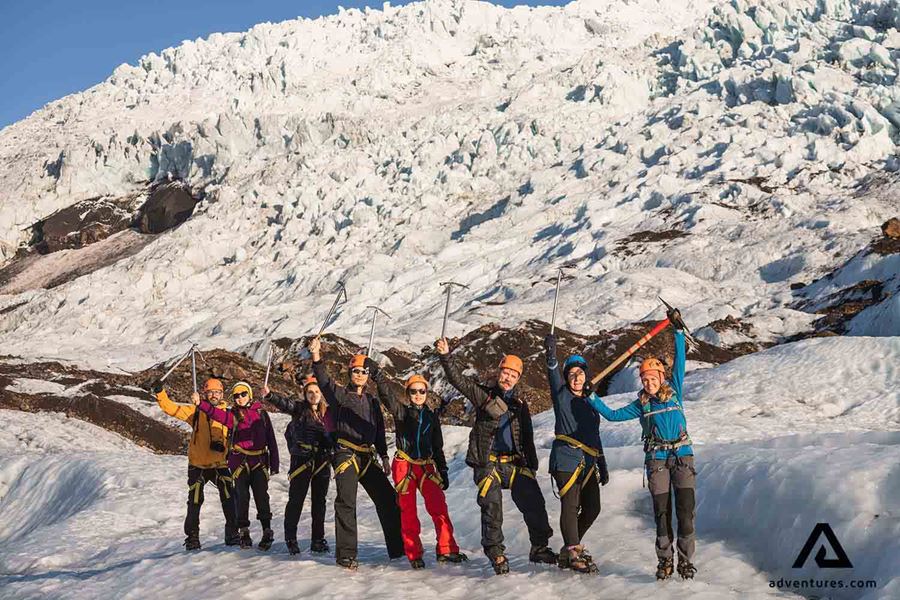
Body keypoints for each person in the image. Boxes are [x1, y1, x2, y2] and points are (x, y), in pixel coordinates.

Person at [587, 307, 697, 580]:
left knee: (685, 512)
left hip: (683, 456)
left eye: (652, 378)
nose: (648, 383)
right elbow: (612, 416)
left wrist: (679, 331)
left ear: (661, 378)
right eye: (645, 379)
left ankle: (685, 560)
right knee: (662, 513)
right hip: (657, 460)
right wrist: (592, 398)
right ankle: (664, 561)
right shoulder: (641, 405)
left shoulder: (676, 392)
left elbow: (680, 360)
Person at [435, 337, 556, 575]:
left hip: (515, 464)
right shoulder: (484, 396)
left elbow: (527, 437)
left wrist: (530, 467)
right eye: (505, 372)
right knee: (492, 509)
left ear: (518, 378)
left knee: (535, 505)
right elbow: (457, 380)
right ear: (499, 373)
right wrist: (445, 356)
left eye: (513, 374)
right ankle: (496, 553)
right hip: (487, 462)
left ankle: (539, 547)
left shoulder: (520, 404)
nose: (508, 377)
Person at [308, 336, 403, 570]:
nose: (360, 374)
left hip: (367, 455)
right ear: (350, 373)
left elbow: (379, 430)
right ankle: (346, 555)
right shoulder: (340, 396)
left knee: (388, 499)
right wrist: (316, 357)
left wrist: (383, 456)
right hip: (345, 454)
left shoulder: (371, 401)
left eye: (363, 371)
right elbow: (324, 382)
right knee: (346, 503)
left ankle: (398, 548)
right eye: (356, 371)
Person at [368, 361, 468, 569]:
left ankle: (446, 549)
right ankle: (414, 553)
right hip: (405, 464)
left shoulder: (432, 417)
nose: (418, 394)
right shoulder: (402, 412)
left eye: (421, 391)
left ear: (426, 392)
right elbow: (387, 396)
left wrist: (443, 470)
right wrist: (378, 375)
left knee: (439, 507)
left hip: (427, 466)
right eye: (413, 391)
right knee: (408, 511)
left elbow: (437, 446)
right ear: (408, 393)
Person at [543, 335, 610, 573]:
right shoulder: (561, 396)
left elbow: (595, 434)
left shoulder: (592, 402)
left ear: (586, 375)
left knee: (592, 507)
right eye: (571, 373)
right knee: (570, 506)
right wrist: (551, 355)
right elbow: (552, 373)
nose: (576, 377)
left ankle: (569, 547)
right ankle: (573, 549)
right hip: (566, 458)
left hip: (589, 460)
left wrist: (602, 463)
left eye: (580, 373)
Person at [153, 378, 238, 550]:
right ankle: (192, 538)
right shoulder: (195, 411)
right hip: (198, 465)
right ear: (204, 394)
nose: (214, 395)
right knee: (195, 501)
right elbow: (171, 408)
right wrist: (160, 392)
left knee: (230, 498)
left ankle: (232, 534)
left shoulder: (228, 414)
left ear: (222, 394)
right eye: (210, 392)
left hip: (220, 464)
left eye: (217, 392)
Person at [194, 381, 280, 551]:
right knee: (242, 498)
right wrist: (200, 404)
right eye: (236, 396)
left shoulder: (261, 413)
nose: (239, 398)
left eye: (243, 394)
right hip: (239, 462)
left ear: (249, 394)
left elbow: (271, 438)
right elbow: (214, 413)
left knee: (262, 497)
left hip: (260, 462)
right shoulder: (231, 415)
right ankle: (244, 531)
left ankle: (266, 530)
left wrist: (275, 463)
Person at [263, 375, 333, 556]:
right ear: (305, 394)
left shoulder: (328, 413)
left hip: (322, 460)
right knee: (296, 500)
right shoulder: (300, 409)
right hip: (302, 460)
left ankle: (318, 539)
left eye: (317, 391)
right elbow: (286, 404)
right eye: (310, 392)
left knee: (320, 502)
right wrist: (271, 396)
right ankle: (291, 538)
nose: (314, 395)